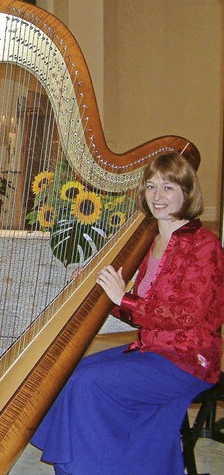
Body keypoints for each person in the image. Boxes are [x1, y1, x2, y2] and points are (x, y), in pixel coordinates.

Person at [32, 152, 224, 475]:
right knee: (67, 373)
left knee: (88, 383)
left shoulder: (204, 244)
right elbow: (142, 315)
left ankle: (87, 468)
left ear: (187, 192)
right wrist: (106, 292)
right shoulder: (154, 243)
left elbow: (187, 314)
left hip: (187, 359)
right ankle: (79, 466)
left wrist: (126, 298)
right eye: (151, 187)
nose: (157, 196)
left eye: (168, 187)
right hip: (151, 350)